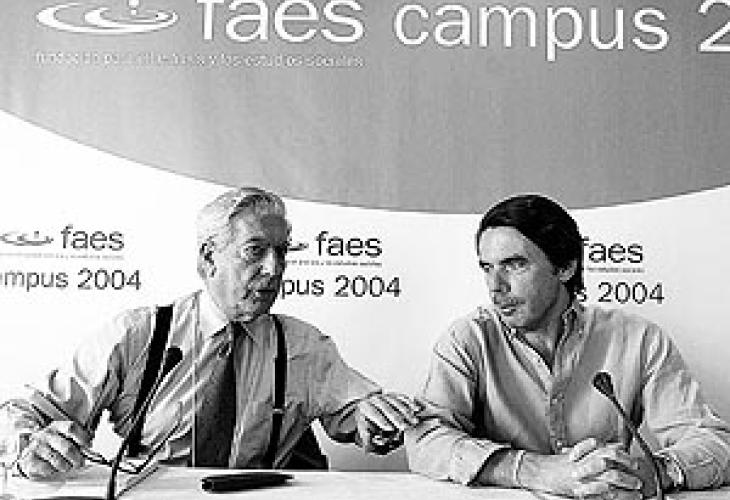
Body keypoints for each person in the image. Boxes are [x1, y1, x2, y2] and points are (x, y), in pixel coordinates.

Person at [2, 187, 419, 479]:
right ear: (208, 258)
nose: (274, 269)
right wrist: (30, 446)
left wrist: (375, 423)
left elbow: (355, 415)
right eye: (255, 251)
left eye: (281, 252)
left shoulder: (303, 345)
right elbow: (27, 412)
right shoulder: (138, 335)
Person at [405, 194, 730, 499]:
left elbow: (715, 443)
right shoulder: (469, 338)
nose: (495, 286)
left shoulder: (639, 339)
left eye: (514, 265)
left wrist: (654, 472)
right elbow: (426, 440)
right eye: (487, 267)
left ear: (565, 268)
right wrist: (533, 470)